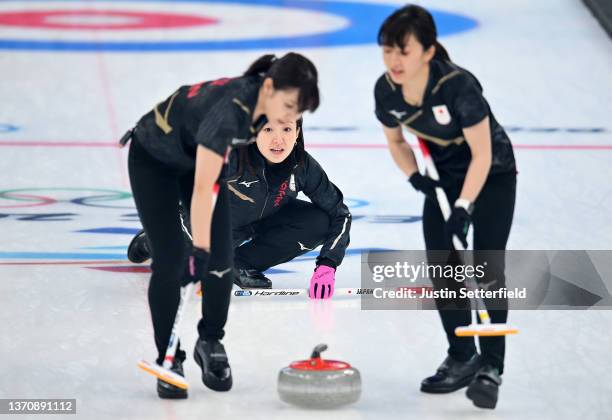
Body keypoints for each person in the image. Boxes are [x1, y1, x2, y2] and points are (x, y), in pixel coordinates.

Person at [124, 53, 320, 399]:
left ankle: (210, 340)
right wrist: (198, 249)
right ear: (269, 87)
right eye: (288, 105)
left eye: (298, 111)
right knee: (171, 262)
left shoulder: (264, 103)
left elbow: (207, 178)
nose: (291, 117)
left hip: (193, 157)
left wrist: (207, 249)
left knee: (222, 258)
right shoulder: (231, 113)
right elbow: (202, 190)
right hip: (153, 159)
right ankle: (169, 357)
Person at [374, 5, 517, 410]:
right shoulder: (386, 91)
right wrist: (415, 178)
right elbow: (396, 141)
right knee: (444, 265)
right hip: (442, 179)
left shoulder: (459, 88)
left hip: (491, 175)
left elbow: (483, 155)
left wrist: (464, 207)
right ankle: (462, 355)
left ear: (429, 50)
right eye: (387, 51)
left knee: (487, 266)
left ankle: (491, 367)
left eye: (403, 51)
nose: (393, 61)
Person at [127, 117, 351, 299]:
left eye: (287, 129)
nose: (278, 140)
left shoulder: (302, 166)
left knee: (320, 223)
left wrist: (327, 264)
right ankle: (153, 240)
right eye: (268, 129)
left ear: (298, 132)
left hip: (263, 218)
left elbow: (340, 213)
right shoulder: (232, 157)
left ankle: (239, 264)